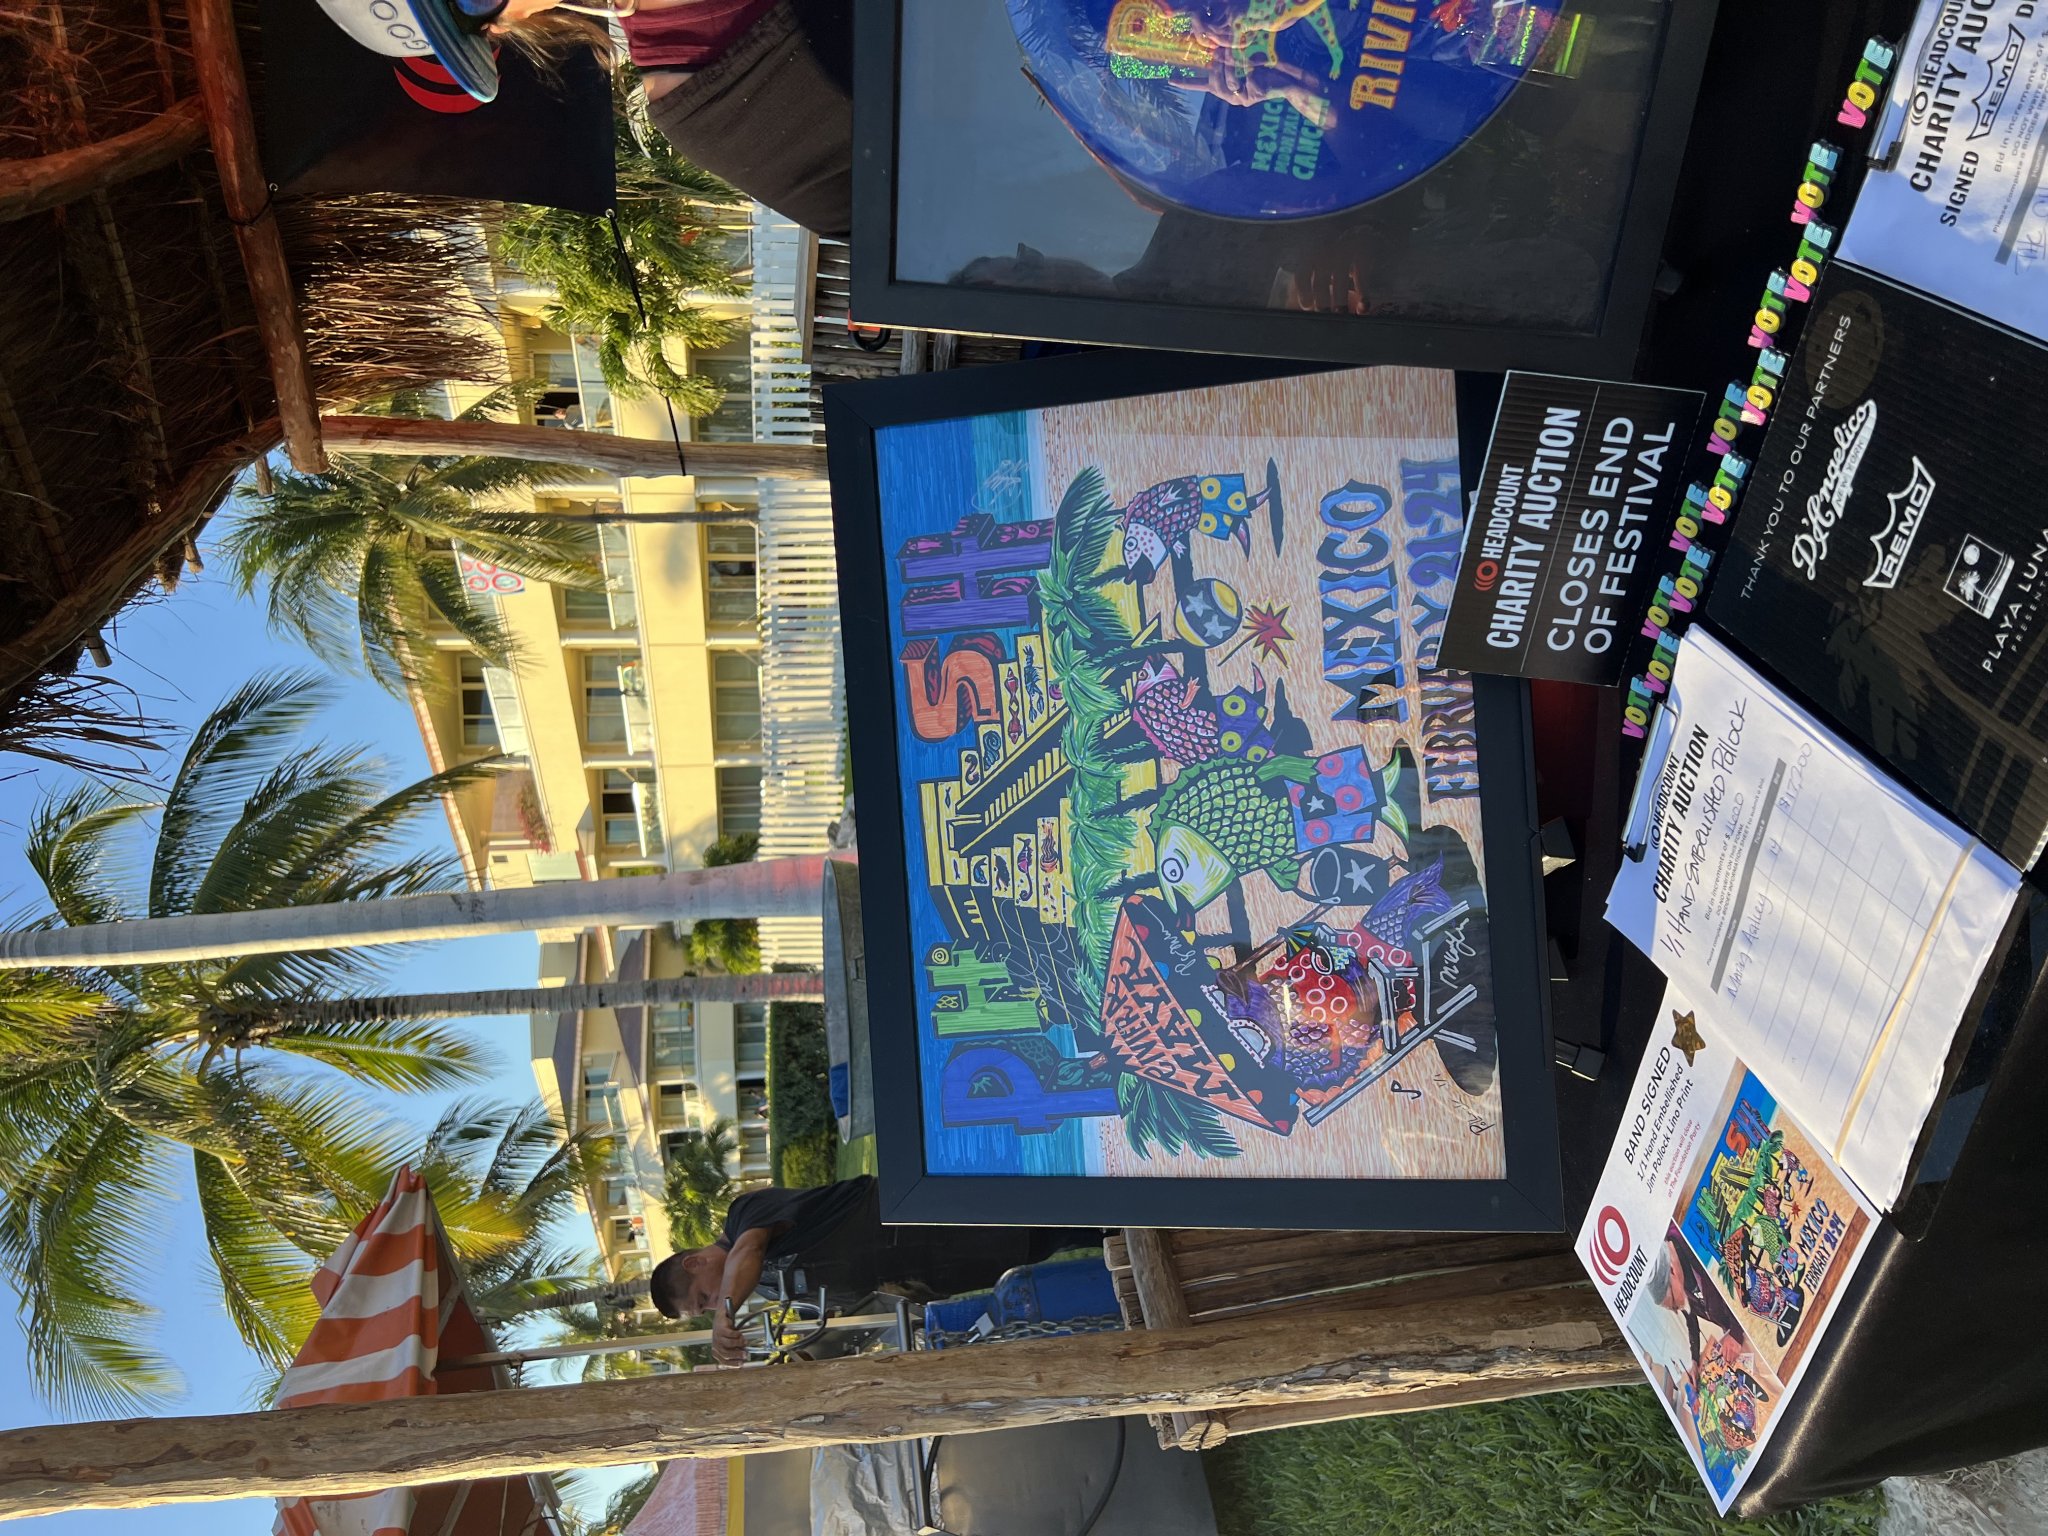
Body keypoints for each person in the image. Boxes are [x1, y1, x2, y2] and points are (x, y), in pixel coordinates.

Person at [650, 1174, 1097, 1364]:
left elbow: (748, 1249)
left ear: (694, 1262)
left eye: (703, 1299)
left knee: (1058, 1205)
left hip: (937, 1215)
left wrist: (726, 1312)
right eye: (706, 1309)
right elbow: (840, 1322)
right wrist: (802, 1361)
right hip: (949, 1268)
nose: (714, 1306)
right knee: (1056, 1239)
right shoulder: (769, 1288)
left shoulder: (743, 1218)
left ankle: (1127, 1198)